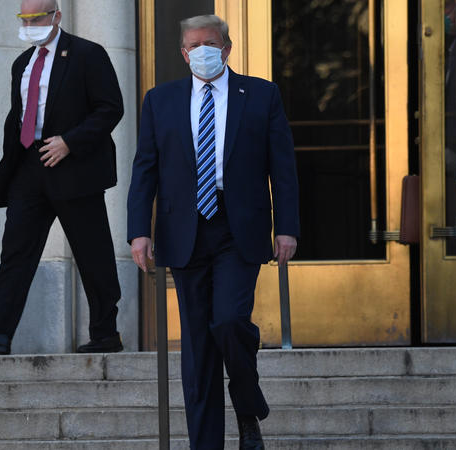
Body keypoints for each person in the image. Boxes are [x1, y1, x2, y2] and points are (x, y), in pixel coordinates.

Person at [127, 14, 300, 450]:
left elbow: (283, 168)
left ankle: (246, 408)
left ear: (226, 47)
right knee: (198, 346)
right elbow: (145, 169)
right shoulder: (160, 100)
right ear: (183, 53)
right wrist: (138, 232)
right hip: (183, 229)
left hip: (237, 227)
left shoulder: (262, 95)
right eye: (192, 45)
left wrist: (288, 228)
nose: (201, 51)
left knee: (227, 320)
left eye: (210, 43)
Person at [0, 0, 124, 355]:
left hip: (74, 168)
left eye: (36, 17)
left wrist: (70, 142)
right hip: (29, 168)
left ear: (56, 16)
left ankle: (106, 334)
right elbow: (21, 114)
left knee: (94, 255)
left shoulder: (87, 54)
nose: (29, 24)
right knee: (16, 251)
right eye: (24, 18)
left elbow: (110, 108)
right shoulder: (22, 63)